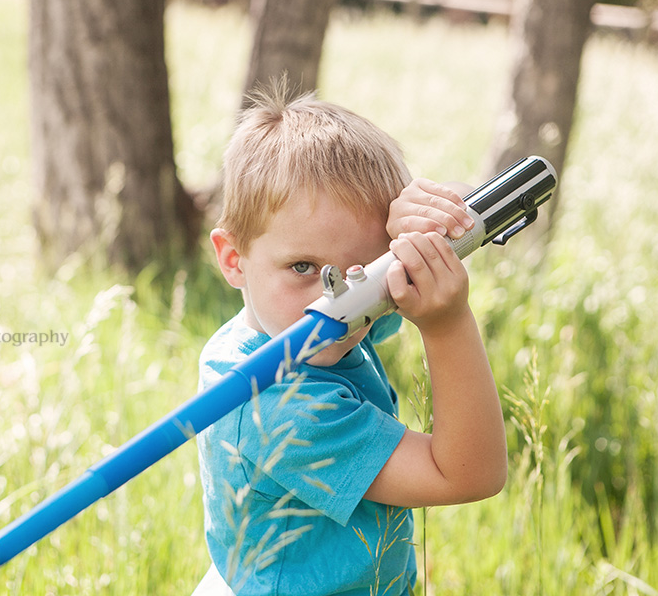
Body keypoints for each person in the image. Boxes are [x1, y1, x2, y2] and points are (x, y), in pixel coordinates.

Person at [193, 87, 508, 596]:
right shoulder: (280, 405)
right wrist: (448, 325)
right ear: (234, 259)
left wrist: (437, 214)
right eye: (302, 267)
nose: (332, 297)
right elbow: (469, 474)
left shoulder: (301, 325)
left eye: (360, 274)